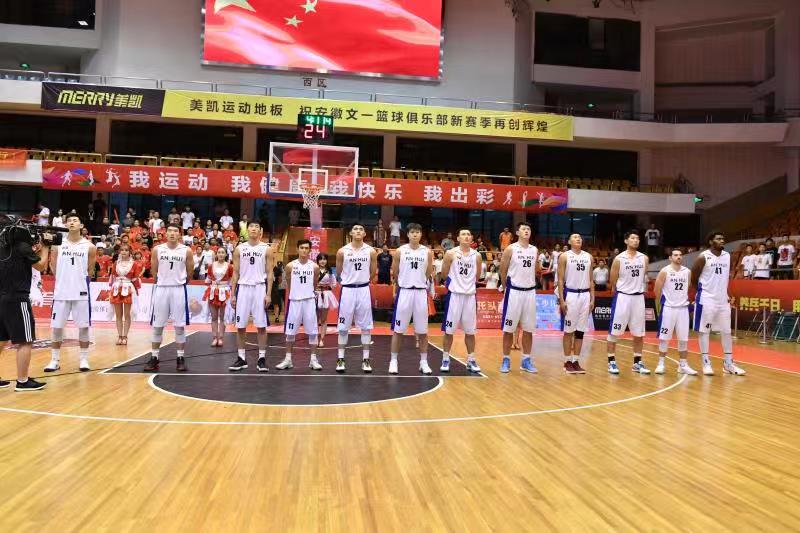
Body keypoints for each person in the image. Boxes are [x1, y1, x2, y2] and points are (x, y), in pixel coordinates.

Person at [0, 229, 51, 391]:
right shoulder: (22, 247)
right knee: (25, 340)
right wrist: (46, 247)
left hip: (2, 297)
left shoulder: (3, 248)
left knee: (1, 339)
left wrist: (34, 251)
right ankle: (22, 381)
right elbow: (41, 266)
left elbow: (19, 261)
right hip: (18, 298)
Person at [45, 214, 96, 373]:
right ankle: (54, 360)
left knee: (84, 327)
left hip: (81, 292)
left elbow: (90, 270)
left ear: (81, 225)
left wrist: (77, 280)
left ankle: (84, 359)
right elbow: (53, 267)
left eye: (75, 220)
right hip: (61, 292)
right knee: (57, 327)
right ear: (66, 225)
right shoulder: (57, 245)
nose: (72, 223)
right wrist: (64, 280)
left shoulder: (89, 246)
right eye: (69, 221)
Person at [692, 231, 746, 375]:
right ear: (711, 241)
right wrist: (702, 292)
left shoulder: (727, 256)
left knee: (727, 331)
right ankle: (706, 362)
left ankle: (728, 364)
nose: (722, 240)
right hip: (706, 299)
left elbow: (724, 278)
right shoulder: (703, 257)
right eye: (718, 239)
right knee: (704, 331)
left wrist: (728, 293)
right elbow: (694, 278)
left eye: (723, 238)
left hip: (723, 300)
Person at [144, 224, 194, 372]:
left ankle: (180, 358)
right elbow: (154, 271)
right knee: (157, 325)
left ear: (180, 234)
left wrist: (181, 281)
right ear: (165, 233)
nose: (172, 233)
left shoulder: (186, 250)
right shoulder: (157, 249)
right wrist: (161, 281)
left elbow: (190, 272)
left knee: (179, 326)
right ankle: (154, 357)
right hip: (162, 289)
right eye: (170, 231)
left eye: (175, 231)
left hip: (178, 289)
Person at [228, 222, 273, 372]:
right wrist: (232, 294)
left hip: (259, 288)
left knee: (261, 325)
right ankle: (241, 358)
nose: (254, 229)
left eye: (256, 227)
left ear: (260, 231)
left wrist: (268, 294)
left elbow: (270, 273)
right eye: (251, 227)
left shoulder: (266, 248)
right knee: (240, 326)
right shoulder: (239, 248)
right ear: (247, 230)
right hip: (243, 288)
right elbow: (235, 272)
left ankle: (261, 359)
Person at [390, 223, 434, 374]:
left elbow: (428, 273)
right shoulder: (400, 251)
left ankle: (424, 362)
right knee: (398, 330)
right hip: (405, 292)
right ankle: (393, 361)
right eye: (412, 232)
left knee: (423, 331)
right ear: (408, 234)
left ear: (421, 235)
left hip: (420, 293)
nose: (415, 234)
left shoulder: (427, 252)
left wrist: (419, 282)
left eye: (418, 232)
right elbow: (395, 272)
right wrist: (404, 283)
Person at [607, 230, 650, 375]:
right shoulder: (619, 259)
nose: (636, 240)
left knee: (639, 333)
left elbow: (644, 276)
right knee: (614, 331)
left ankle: (637, 363)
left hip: (638, 298)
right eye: (632, 238)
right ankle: (611, 362)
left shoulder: (644, 258)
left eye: (637, 238)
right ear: (626, 241)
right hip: (623, 297)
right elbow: (612, 280)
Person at [498, 221, 539, 373]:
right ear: (517, 232)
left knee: (528, 329)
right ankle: (506, 359)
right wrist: (506, 287)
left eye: (528, 229)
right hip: (514, 292)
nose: (526, 231)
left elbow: (536, 269)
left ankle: (526, 360)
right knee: (509, 329)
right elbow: (503, 270)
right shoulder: (511, 249)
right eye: (523, 229)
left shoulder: (534, 250)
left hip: (530, 292)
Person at [336, 224, 377, 373]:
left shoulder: (371, 251)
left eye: (361, 229)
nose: (358, 231)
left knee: (366, 326)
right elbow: (339, 272)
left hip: (363, 289)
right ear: (351, 233)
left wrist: (361, 280)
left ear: (365, 233)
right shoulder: (342, 251)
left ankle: (366, 360)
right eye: (355, 229)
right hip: (347, 290)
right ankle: (340, 359)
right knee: (343, 327)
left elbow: (373, 273)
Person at [440, 228, 482, 373]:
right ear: (457, 238)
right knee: (449, 331)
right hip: (454, 296)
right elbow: (444, 274)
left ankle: (471, 360)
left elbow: (477, 276)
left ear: (472, 238)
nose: (466, 236)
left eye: (469, 234)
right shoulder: (451, 253)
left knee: (470, 332)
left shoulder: (477, 256)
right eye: (463, 234)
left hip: (469, 296)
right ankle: (445, 359)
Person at [276, 240, 321, 370]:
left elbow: (314, 284)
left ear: (310, 250)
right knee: (290, 332)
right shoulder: (290, 266)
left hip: (309, 301)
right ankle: (288, 359)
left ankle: (313, 360)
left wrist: (307, 293)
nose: (304, 250)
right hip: (295, 302)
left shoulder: (314, 267)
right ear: (297, 249)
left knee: (313, 332)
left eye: (306, 248)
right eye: (302, 248)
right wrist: (295, 293)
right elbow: (289, 283)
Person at [654, 249, 696, 375]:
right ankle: (661, 364)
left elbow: (687, 287)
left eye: (680, 255)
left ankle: (683, 365)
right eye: (675, 255)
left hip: (682, 309)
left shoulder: (687, 272)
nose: (678, 257)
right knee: (664, 338)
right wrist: (660, 306)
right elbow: (657, 290)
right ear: (670, 258)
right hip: (668, 308)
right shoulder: (664, 271)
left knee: (683, 338)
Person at [557, 233, 593, 374]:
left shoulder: (588, 257)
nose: (578, 239)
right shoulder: (564, 256)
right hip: (571, 295)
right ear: (569, 241)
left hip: (585, 295)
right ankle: (567, 361)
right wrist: (561, 300)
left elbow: (591, 280)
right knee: (569, 330)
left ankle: (576, 361)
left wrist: (593, 299)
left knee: (580, 331)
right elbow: (560, 280)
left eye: (580, 237)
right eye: (575, 237)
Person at [109, 244, 143, 346]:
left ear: (130, 252)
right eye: (122, 250)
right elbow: (113, 276)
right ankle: (120, 336)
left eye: (126, 250)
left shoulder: (134, 264)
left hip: (128, 288)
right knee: (118, 315)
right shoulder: (116, 263)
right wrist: (111, 289)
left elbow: (135, 279)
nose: (124, 252)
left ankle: (125, 336)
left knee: (127, 314)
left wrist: (136, 291)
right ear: (119, 252)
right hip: (116, 288)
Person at [205, 248, 233, 348]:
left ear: (225, 254)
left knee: (222, 317)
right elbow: (207, 280)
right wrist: (212, 284)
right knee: (214, 317)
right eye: (219, 252)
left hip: (224, 292)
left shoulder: (229, 266)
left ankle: (220, 338)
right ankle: (214, 337)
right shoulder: (211, 266)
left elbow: (231, 281)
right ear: (216, 254)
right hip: (213, 292)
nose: (221, 254)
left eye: (223, 252)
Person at [315, 253, 338, 347]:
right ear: (317, 260)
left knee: (323, 319)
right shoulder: (314, 270)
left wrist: (327, 287)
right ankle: (315, 338)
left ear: (327, 260)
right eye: (320, 259)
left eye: (324, 259)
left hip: (325, 296)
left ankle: (322, 339)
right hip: (315, 295)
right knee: (315, 319)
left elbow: (334, 283)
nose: (322, 261)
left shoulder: (330, 271)